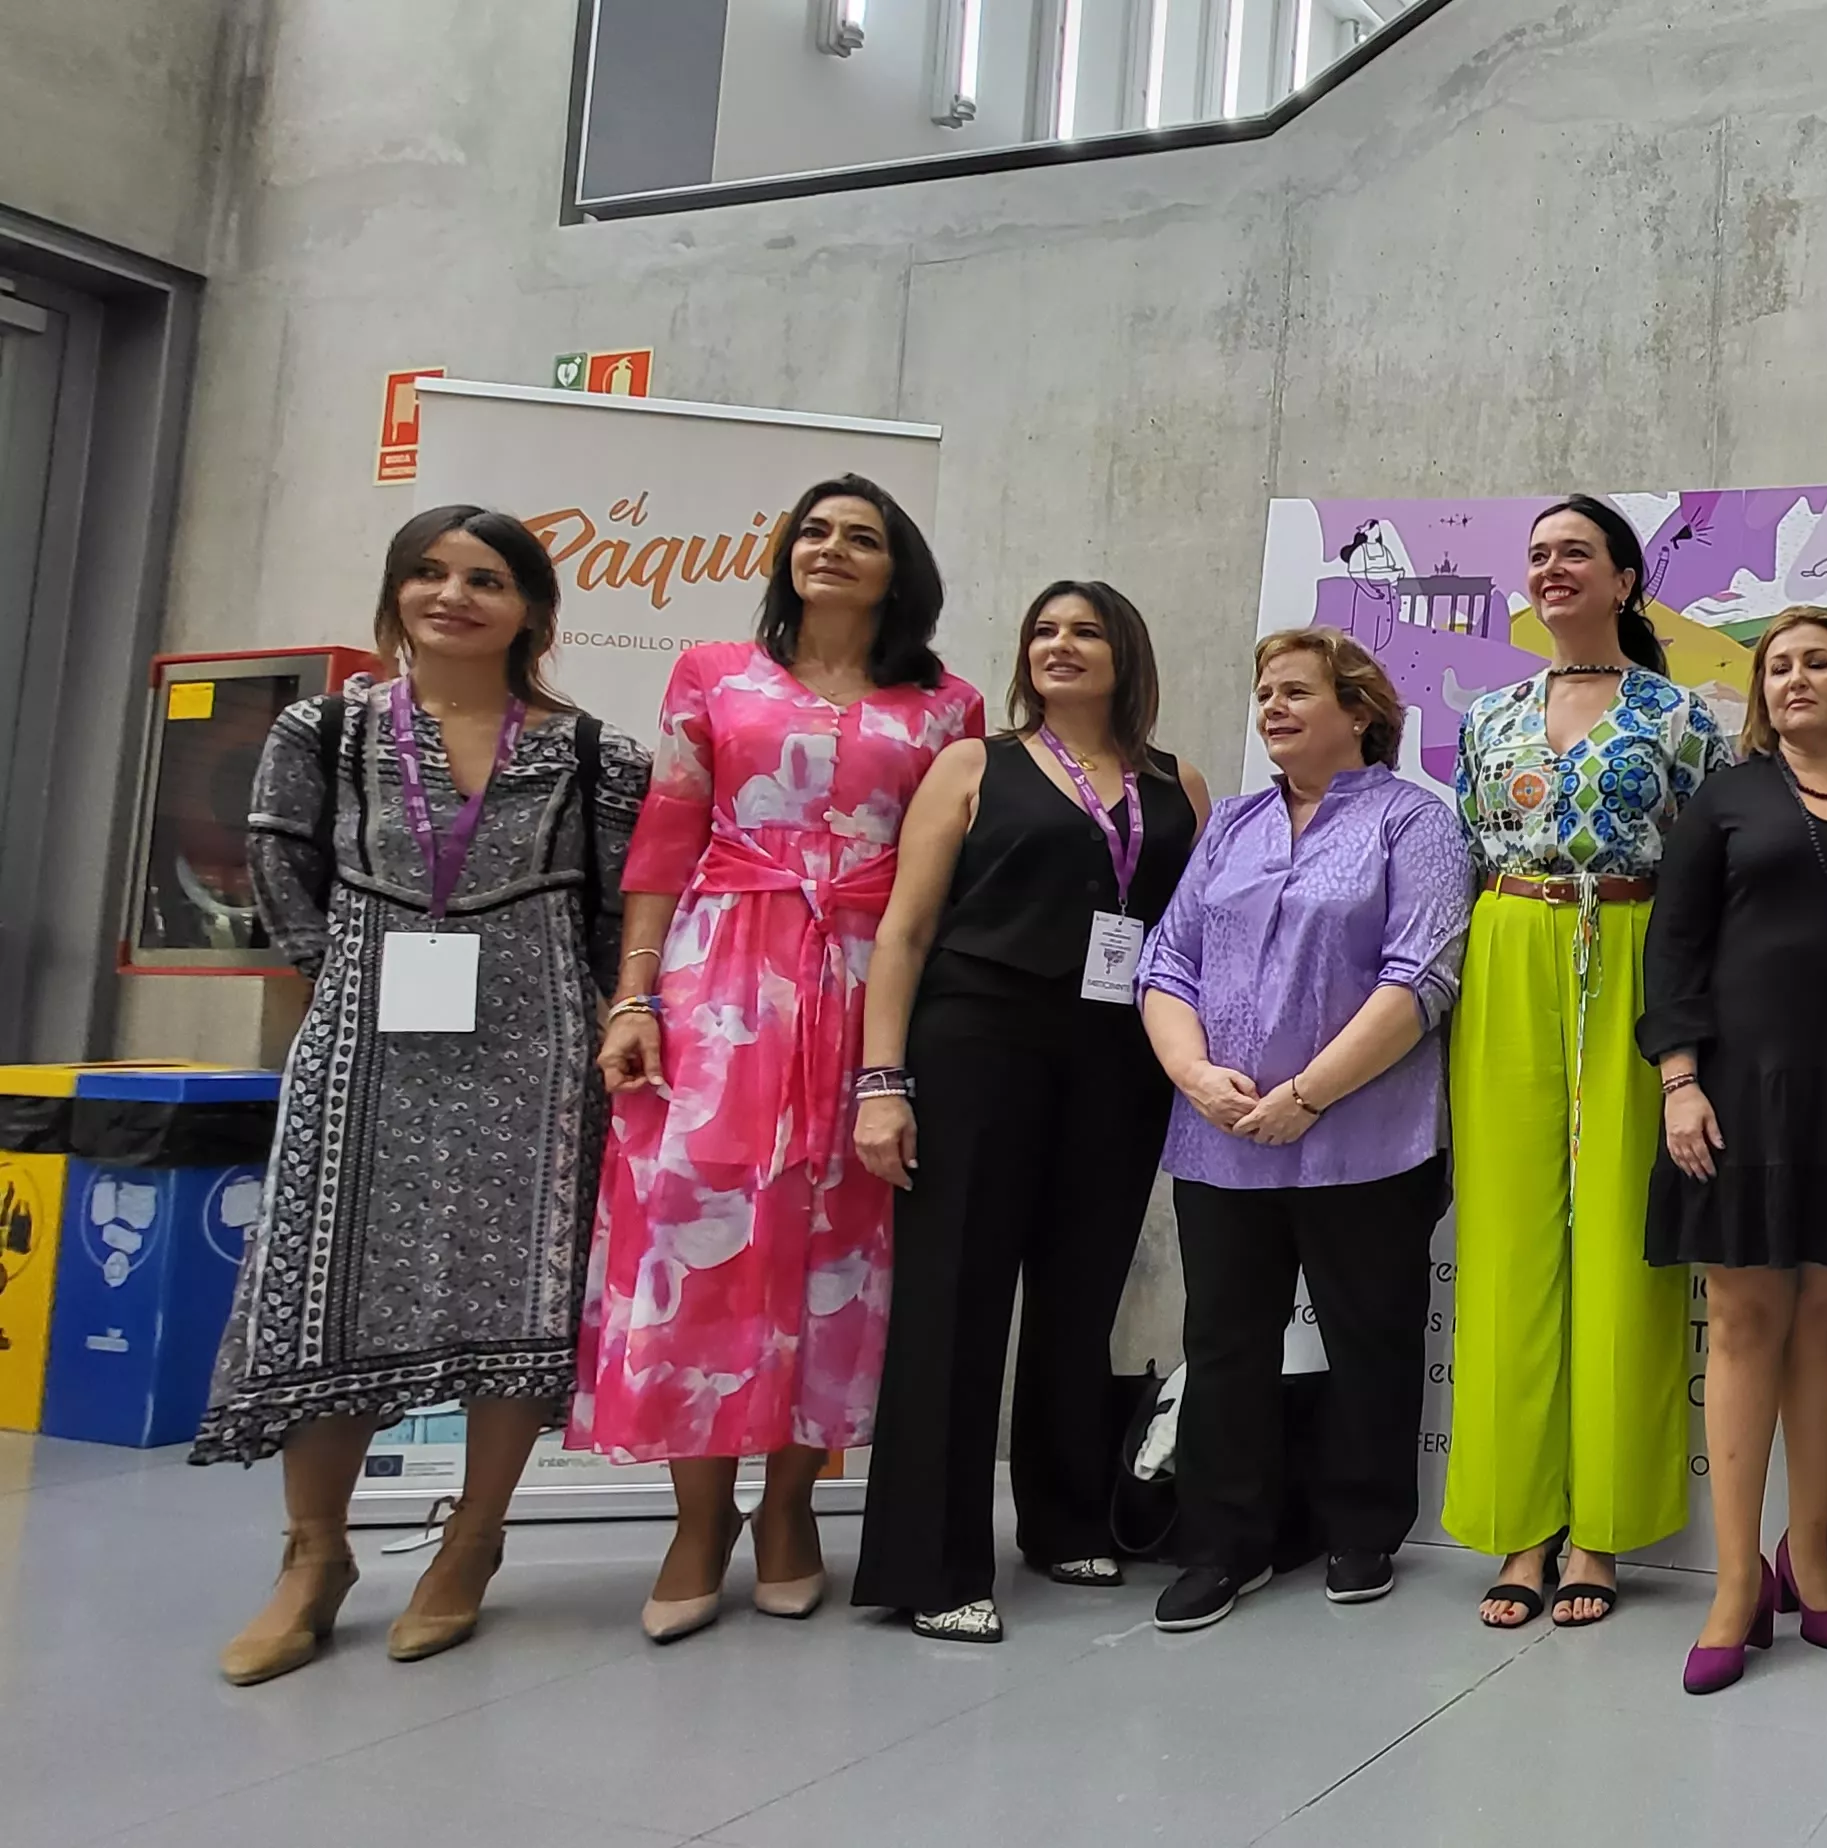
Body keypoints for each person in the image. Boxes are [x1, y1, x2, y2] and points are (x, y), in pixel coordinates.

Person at [199, 507, 649, 1683]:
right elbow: (278, 870)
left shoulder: (599, 755)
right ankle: (314, 1559)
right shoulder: (328, 730)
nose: (454, 596)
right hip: (366, 1039)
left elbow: (614, 914)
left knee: (523, 1287)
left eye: (486, 579)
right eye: (430, 574)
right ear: (397, 592)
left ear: (533, 610)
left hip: (536, 1044)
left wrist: (584, 1010)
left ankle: (473, 1540)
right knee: (322, 1286)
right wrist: (347, 978)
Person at [580, 475, 987, 1644]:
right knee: (696, 1238)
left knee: (844, 1247)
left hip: (871, 985)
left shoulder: (945, 706)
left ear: (898, 568)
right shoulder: (713, 676)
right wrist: (634, 996)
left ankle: (792, 1508)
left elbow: (945, 873)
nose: (834, 550)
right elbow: (665, 837)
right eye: (815, 532)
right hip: (723, 979)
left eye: (863, 538)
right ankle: (696, 1521)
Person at [846, 581, 1210, 1642]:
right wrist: (882, 1084)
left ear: (1125, 653)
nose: (1060, 645)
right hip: (978, 1047)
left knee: (1079, 1297)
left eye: (1085, 630)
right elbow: (905, 934)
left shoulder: (1174, 780)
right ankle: (933, 1563)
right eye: (1043, 631)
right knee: (954, 1301)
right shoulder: (974, 766)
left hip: (1117, 1062)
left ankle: (1059, 1522)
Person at [1134, 628, 1469, 1631]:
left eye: (1295, 693)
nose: (1272, 708)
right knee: (1226, 1343)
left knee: (1370, 1338)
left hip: (1366, 1140)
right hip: (1219, 1136)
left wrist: (1307, 1096)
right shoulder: (1230, 826)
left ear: (1358, 710)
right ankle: (1223, 1544)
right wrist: (1196, 1075)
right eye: (1264, 694)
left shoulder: (1416, 825)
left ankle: (1360, 1530)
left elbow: (1420, 979)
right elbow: (1165, 967)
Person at [1446, 496, 1726, 1630]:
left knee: (1619, 1241)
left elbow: (1708, 881)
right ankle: (1519, 1527)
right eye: (1539, 554)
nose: (1553, 568)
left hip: (1632, 946)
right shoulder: (1487, 713)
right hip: (1508, 946)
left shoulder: (1677, 716)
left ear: (1624, 580)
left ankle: (1602, 1531)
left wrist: (1694, 1029)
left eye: (1577, 553)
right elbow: (1464, 850)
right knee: (1509, 1241)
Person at [1640, 608, 1827, 1695]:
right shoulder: (1726, 798)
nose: (1794, 678)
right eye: (1776, 665)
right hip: (1737, 1091)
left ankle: (1814, 1555)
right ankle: (1736, 1580)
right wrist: (1680, 1082)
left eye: (1815, 662)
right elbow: (1675, 947)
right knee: (1746, 1317)